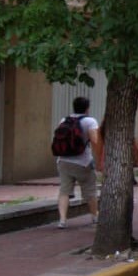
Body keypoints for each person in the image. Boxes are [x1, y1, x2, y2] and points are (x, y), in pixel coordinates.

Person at [54, 96, 101, 229]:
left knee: (64, 191)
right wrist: (98, 160)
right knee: (90, 191)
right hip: (83, 162)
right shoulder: (90, 121)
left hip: (63, 161)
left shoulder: (64, 120)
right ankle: (94, 216)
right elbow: (95, 141)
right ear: (87, 108)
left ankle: (62, 220)